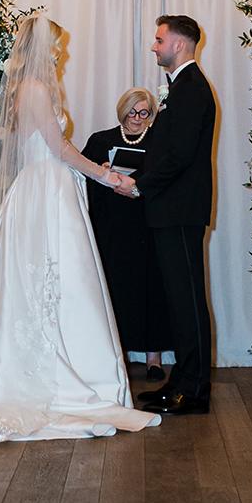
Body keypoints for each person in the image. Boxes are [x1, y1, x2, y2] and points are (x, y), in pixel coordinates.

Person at [0, 14, 159, 442]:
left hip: (43, 186)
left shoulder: (28, 89)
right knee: (53, 275)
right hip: (46, 189)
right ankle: (58, 372)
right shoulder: (34, 89)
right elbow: (61, 148)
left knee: (46, 279)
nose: (60, 52)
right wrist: (103, 174)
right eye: (56, 45)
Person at [115, 15, 217, 418]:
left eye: (159, 40)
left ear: (179, 43)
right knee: (178, 300)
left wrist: (140, 185)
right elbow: (164, 151)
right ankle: (181, 381)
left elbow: (179, 156)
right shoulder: (181, 87)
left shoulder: (192, 88)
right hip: (170, 209)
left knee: (188, 301)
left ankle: (195, 391)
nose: (154, 46)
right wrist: (133, 177)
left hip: (180, 210)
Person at [83, 87, 171, 380]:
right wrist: (101, 171)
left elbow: (166, 178)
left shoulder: (160, 140)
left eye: (144, 112)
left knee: (152, 288)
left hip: (148, 225)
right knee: (114, 287)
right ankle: (115, 355)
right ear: (122, 111)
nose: (137, 118)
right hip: (112, 227)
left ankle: (153, 358)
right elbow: (81, 177)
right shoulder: (100, 140)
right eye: (132, 112)